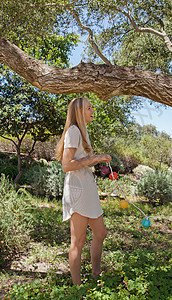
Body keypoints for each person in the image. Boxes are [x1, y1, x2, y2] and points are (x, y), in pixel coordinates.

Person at [55, 97, 112, 285]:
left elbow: (80, 160)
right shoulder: (73, 131)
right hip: (78, 190)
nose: (92, 110)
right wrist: (95, 158)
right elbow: (66, 165)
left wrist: (96, 160)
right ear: (80, 112)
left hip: (88, 188)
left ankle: (96, 275)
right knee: (78, 241)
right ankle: (78, 288)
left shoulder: (82, 131)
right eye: (89, 107)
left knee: (101, 233)